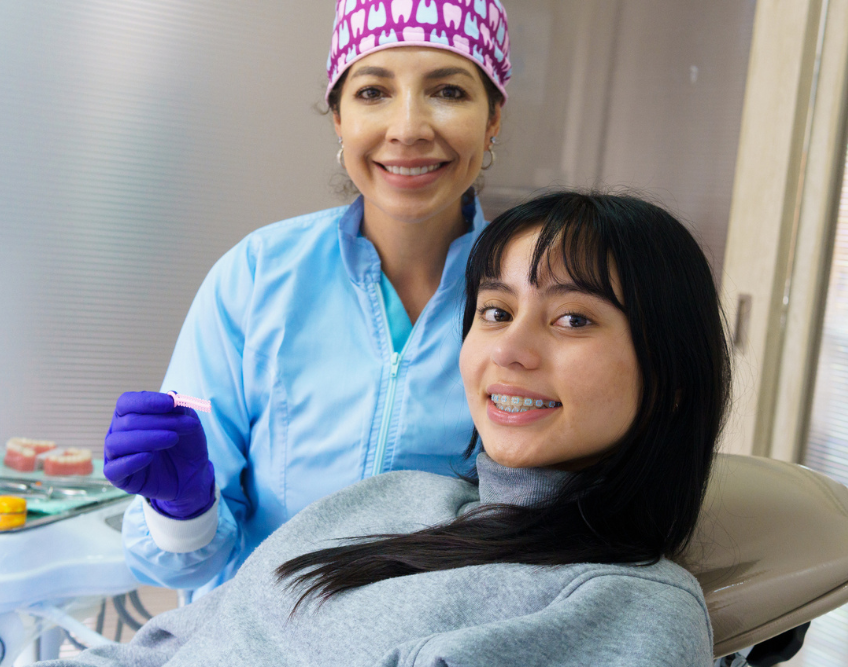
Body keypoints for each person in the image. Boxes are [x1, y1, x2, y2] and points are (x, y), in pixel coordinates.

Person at [50, 191, 731, 666]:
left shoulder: (626, 607)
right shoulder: (386, 501)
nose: (510, 350)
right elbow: (167, 644)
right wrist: (183, 509)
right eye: (494, 311)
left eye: (573, 319)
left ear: (670, 375)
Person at [102, 2, 513, 594]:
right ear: (338, 117)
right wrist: (181, 509)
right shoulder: (257, 276)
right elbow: (187, 566)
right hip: (253, 641)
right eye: (373, 93)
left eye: (447, 90)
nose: (408, 128)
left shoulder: (530, 297)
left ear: (494, 116)